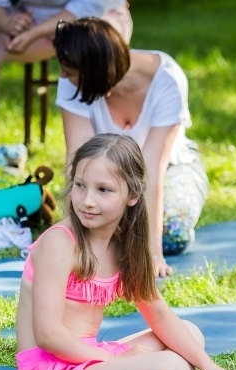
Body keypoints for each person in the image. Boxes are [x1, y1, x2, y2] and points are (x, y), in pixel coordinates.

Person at [14, 133, 236, 370]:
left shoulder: (123, 245)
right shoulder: (59, 243)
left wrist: (211, 368)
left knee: (190, 334)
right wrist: (118, 362)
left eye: (104, 190)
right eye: (80, 186)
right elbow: (49, 335)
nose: (87, 201)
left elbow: (159, 315)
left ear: (133, 196)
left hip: (89, 359)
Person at [54, 17, 208, 277]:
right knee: (102, 219)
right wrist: (76, 236)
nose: (62, 76)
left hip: (171, 166)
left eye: (68, 71)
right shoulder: (72, 78)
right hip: (104, 177)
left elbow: (152, 168)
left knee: (173, 232)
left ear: (95, 71)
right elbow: (78, 161)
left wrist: (152, 254)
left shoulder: (167, 79)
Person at [0, 0, 106, 170]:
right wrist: (7, 23)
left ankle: (103, 151)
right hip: (31, 21)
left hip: (96, 21)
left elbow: (89, 6)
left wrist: (35, 33)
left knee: (97, 45)